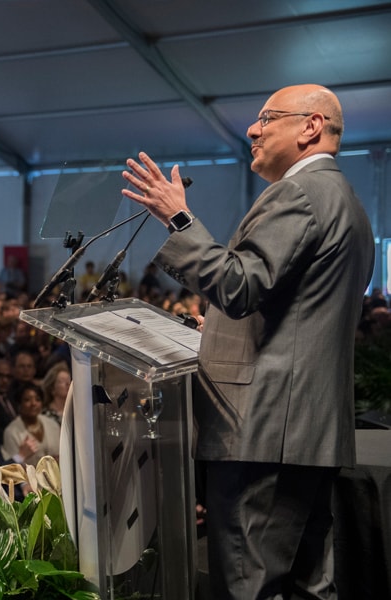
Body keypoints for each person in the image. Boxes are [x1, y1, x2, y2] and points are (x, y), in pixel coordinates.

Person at [121, 84, 374, 600]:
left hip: (262, 432)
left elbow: (238, 286)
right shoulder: (345, 199)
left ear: (311, 127)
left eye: (266, 117)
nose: (252, 130)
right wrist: (214, 330)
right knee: (308, 588)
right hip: (304, 431)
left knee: (248, 588)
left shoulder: (298, 193)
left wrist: (180, 220)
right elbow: (298, 315)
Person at [2, 382, 60, 467]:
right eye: (27, 400)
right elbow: (12, 468)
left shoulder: (52, 425)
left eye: (38, 399)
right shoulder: (11, 432)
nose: (33, 404)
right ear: (19, 405)